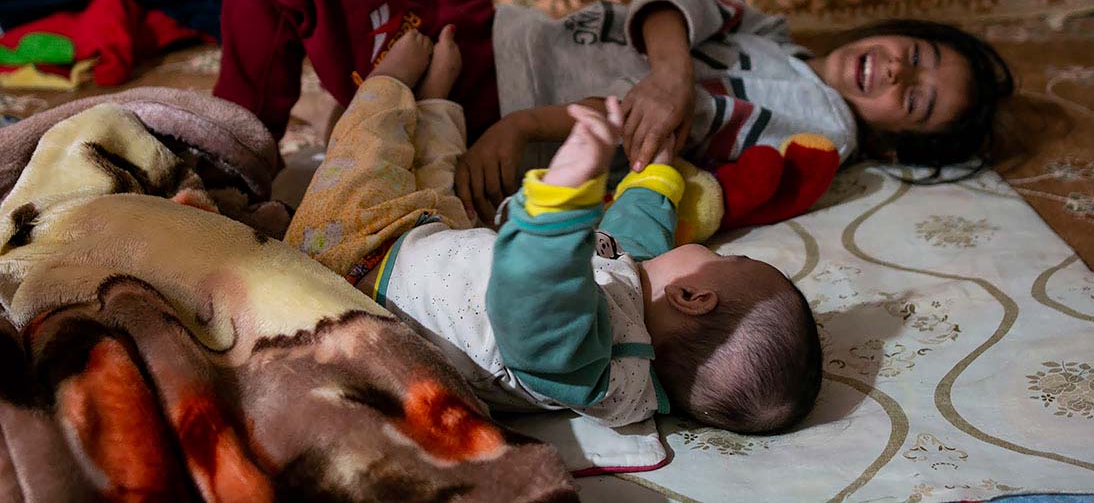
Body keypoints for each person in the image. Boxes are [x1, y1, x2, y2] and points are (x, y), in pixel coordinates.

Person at [214, 0, 1013, 223]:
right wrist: (670, 70)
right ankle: (380, 64)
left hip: (491, 96)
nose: (899, 68)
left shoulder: (824, 124)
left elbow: (676, 131)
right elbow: (672, 2)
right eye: (919, 53)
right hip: (498, 30)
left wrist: (525, 128)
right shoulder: (787, 46)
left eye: (913, 98)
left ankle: (225, 153)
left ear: (897, 137)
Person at [284, 27, 823, 434]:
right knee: (441, 181)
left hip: (355, 263)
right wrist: (656, 175)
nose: (712, 251)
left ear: (694, 296)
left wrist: (566, 197)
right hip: (428, 241)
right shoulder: (640, 307)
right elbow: (634, 235)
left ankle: (389, 84)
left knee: (366, 154)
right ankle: (435, 104)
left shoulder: (582, 363)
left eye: (732, 262)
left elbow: (537, 291)